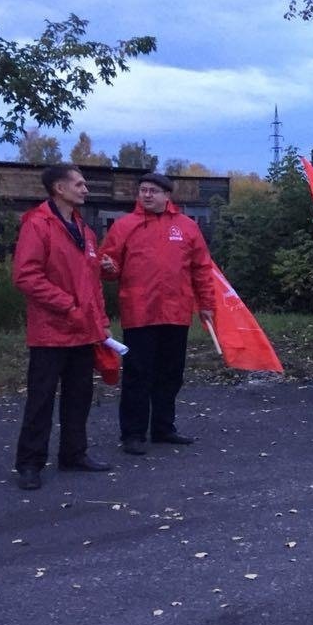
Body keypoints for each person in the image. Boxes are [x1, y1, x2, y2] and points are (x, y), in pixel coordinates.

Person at [12, 165, 114, 490]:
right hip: (51, 330)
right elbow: (26, 276)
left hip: (83, 330)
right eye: (80, 184)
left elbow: (93, 283)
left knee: (79, 396)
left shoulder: (84, 230)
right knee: (41, 398)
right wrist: (67, 304)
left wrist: (102, 323)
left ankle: (73, 453)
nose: (85, 189)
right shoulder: (38, 224)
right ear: (59, 188)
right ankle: (30, 464)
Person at [100, 172, 216, 456]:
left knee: (171, 373)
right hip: (139, 313)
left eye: (153, 190)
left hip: (176, 313)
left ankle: (164, 428)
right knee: (138, 374)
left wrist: (207, 304)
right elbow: (109, 267)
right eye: (143, 190)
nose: (147, 195)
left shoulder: (187, 227)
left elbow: (202, 269)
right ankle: (133, 433)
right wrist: (108, 269)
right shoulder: (125, 226)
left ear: (167, 196)